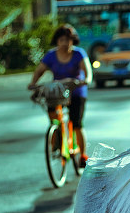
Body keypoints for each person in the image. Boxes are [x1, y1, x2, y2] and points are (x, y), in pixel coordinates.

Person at [27, 24, 93, 166]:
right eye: (61, 40)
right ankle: (56, 138)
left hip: (76, 91)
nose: (64, 43)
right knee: (54, 118)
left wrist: (86, 80)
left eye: (67, 40)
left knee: (77, 123)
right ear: (57, 41)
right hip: (57, 93)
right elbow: (39, 71)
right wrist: (33, 83)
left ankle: (83, 155)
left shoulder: (79, 54)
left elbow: (87, 71)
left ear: (72, 41)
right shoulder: (51, 55)